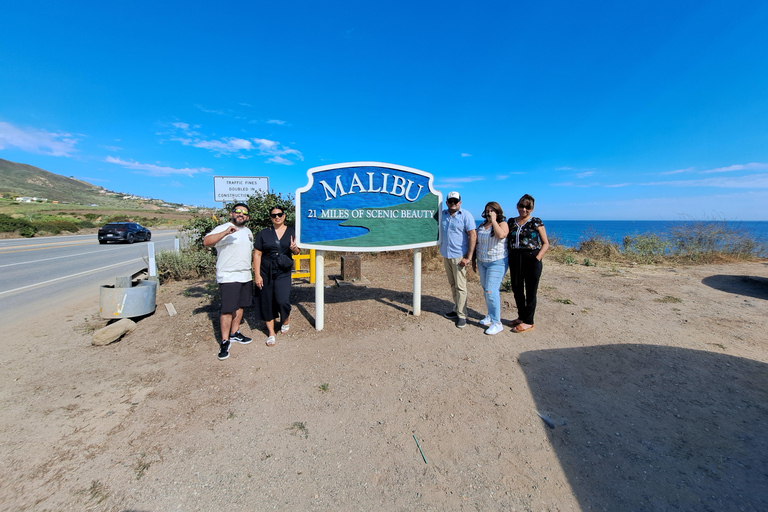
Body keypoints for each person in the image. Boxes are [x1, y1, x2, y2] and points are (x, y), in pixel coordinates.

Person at [203, 202, 254, 360]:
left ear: (248, 217)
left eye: (244, 213)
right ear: (231, 213)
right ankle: (225, 341)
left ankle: (234, 333)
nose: (241, 214)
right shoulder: (223, 228)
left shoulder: (248, 231)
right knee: (227, 309)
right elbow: (207, 241)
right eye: (238, 211)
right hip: (228, 275)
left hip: (245, 275)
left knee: (240, 306)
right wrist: (225, 232)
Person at [252, 206, 299, 346]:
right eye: (274, 215)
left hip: (283, 271)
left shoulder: (292, 231)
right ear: (270, 217)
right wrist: (257, 275)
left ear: (284, 216)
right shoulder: (263, 233)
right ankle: (271, 332)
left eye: (279, 214)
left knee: (282, 300)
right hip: (266, 271)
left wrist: (293, 248)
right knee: (266, 301)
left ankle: (285, 319)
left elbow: (297, 252)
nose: (277, 217)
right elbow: (257, 254)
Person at [507, 194, 549, 333]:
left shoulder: (536, 222)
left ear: (532, 208)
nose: (524, 209)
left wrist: (537, 258)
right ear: (517, 206)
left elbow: (545, 243)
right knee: (517, 289)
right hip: (515, 257)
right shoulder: (511, 221)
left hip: (531, 257)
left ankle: (529, 321)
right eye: (521, 206)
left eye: (527, 207)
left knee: (531, 291)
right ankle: (521, 317)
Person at [440, 191, 476, 328]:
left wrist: (468, 257)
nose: (453, 204)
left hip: (459, 256)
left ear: (460, 202)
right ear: (447, 202)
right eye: (451, 201)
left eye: (456, 201)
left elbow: (473, 235)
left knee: (461, 286)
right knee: (453, 284)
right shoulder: (442, 214)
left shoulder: (466, 215)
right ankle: (456, 309)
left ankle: (462, 315)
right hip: (446, 254)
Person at [472, 201, 509, 335]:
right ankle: (490, 315)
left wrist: (494, 220)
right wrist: (474, 261)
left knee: (490, 290)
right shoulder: (482, 225)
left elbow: (501, 235)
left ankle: (497, 323)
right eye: (488, 211)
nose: (489, 213)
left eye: (493, 211)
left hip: (497, 262)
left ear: (498, 212)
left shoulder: (502, 224)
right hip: (482, 261)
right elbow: (478, 243)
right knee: (485, 288)